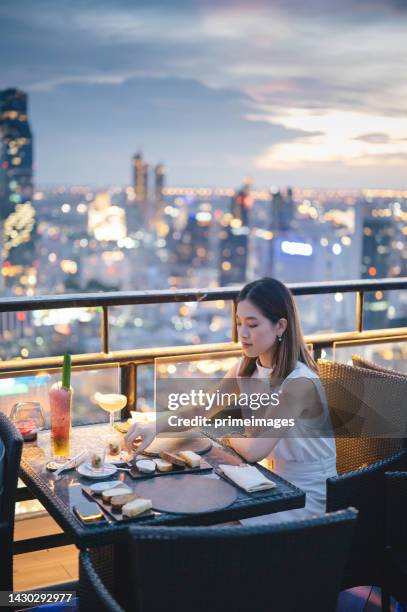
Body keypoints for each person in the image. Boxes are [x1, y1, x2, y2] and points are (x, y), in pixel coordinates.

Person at [125, 277, 337, 524]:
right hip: (270, 481)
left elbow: (255, 450)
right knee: (194, 500)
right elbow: (202, 408)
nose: (243, 334)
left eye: (253, 325)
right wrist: (155, 425)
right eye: (238, 323)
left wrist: (226, 434)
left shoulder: (298, 383)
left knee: (213, 522)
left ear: (280, 326)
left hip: (304, 499)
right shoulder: (246, 368)